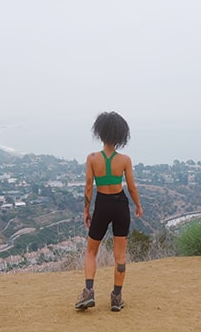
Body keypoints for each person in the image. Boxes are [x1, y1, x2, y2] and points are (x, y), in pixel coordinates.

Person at [74, 111, 143, 312]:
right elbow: (131, 187)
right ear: (121, 136)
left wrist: (86, 210)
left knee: (91, 251)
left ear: (101, 133)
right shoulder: (125, 160)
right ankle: (116, 297)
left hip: (102, 205)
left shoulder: (93, 158)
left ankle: (88, 292)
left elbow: (88, 186)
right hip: (121, 205)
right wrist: (138, 205)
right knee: (120, 255)